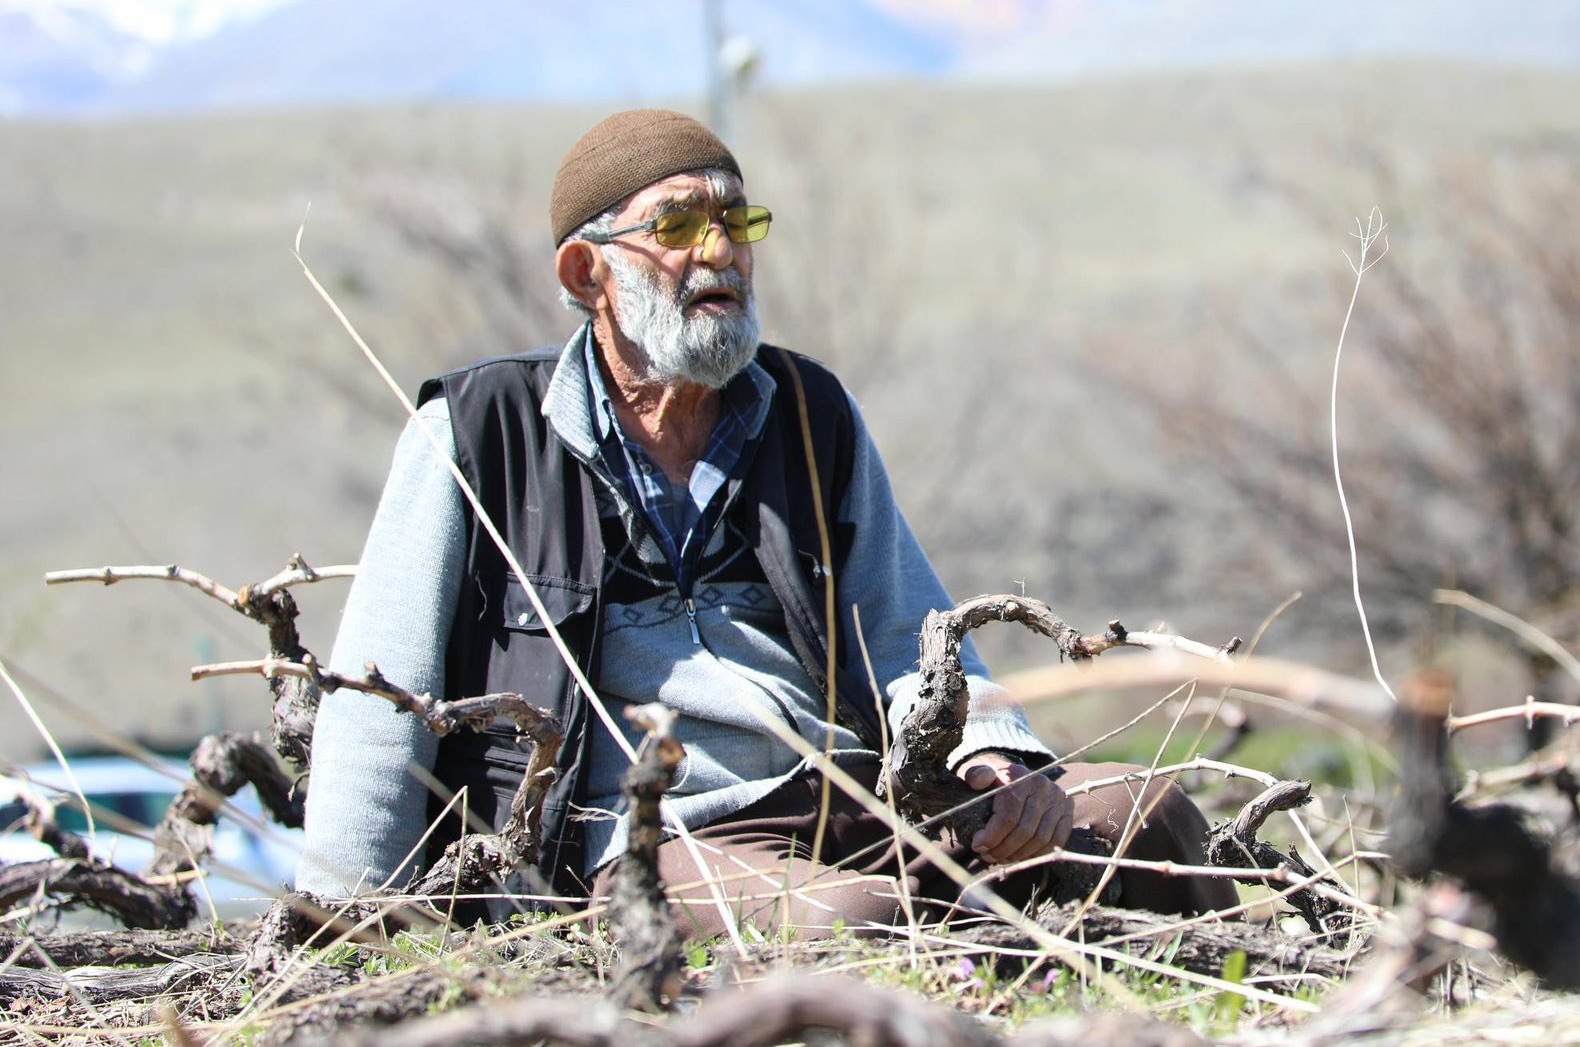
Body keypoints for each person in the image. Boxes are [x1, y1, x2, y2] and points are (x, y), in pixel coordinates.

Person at [297, 109, 1232, 936]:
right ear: (588, 274)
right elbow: (380, 699)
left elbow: (911, 631)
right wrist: (347, 927)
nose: (721, 252)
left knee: (1149, 818)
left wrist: (996, 750)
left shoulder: (808, 412)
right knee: (851, 922)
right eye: (676, 225)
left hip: (861, 805)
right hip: (656, 844)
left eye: (736, 222)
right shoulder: (477, 431)